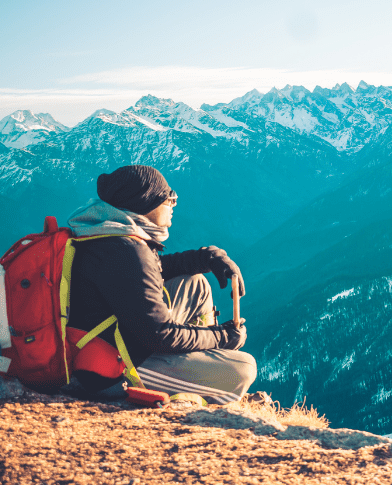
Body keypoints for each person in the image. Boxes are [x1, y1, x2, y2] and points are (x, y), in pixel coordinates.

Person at [65, 164, 256, 404]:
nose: (174, 204)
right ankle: (209, 393)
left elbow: (145, 273)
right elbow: (162, 336)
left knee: (195, 283)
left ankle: (203, 363)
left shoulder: (106, 234)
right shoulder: (127, 251)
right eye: (169, 198)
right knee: (243, 369)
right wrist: (221, 337)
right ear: (146, 203)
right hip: (114, 368)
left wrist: (206, 257)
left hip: (109, 339)